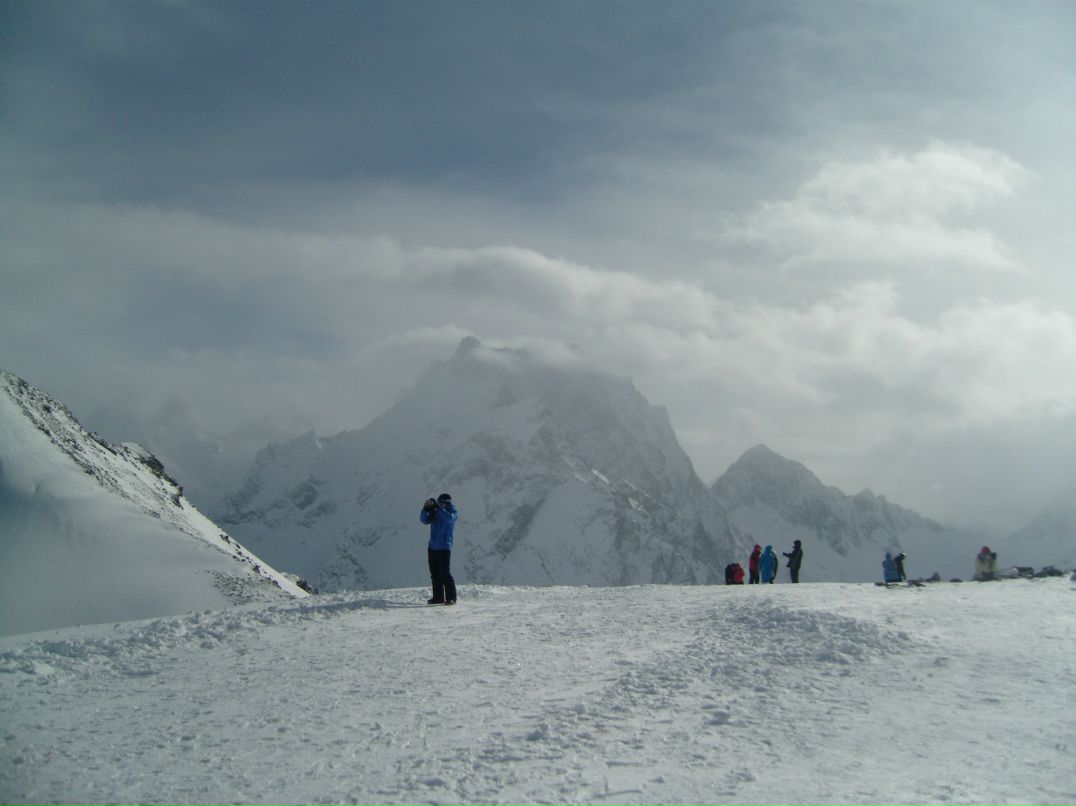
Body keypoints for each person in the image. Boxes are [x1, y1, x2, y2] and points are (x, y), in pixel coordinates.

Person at [420, 493, 458, 604]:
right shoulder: (436, 512)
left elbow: (449, 518)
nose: (439, 504)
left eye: (441, 502)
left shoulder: (452, 513)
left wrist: (439, 508)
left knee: (445, 574)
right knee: (435, 575)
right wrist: (426, 509)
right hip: (432, 547)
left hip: (444, 548)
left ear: (446, 503)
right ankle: (438, 597)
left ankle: (451, 598)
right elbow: (424, 520)